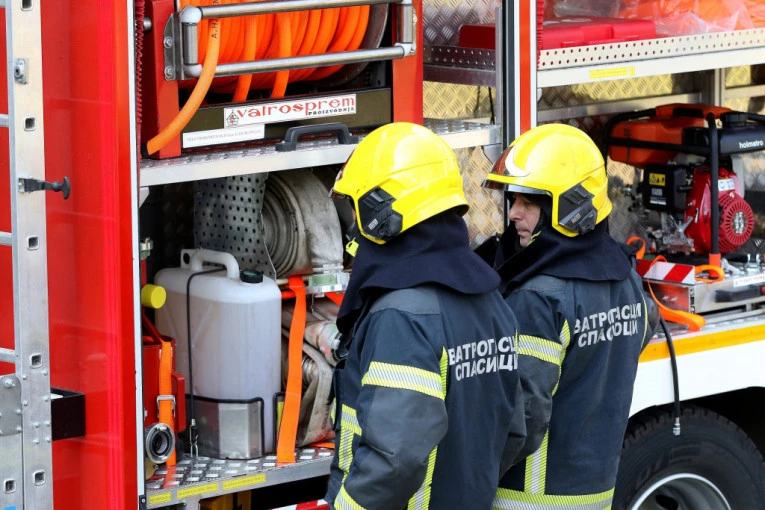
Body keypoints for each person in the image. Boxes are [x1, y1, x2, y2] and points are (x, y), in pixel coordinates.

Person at [324, 122, 527, 510]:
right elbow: (514, 429)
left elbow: (393, 462)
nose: (353, 226)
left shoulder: (401, 317)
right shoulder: (491, 301)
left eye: (356, 208)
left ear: (381, 214)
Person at [482, 124, 656, 509]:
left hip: (526, 498)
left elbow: (522, 417)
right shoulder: (626, 279)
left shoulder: (538, 299)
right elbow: (645, 327)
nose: (513, 213)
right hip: (596, 493)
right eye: (513, 200)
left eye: (529, 202)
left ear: (571, 208)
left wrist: (471, 476)